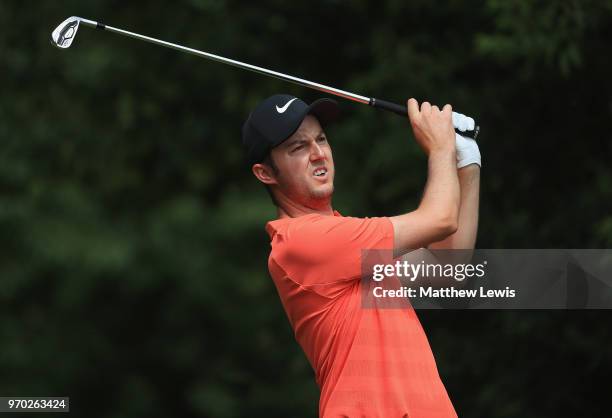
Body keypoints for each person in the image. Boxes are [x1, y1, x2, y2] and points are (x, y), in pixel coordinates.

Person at [242, 94, 480, 418]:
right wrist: (441, 149)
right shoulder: (299, 241)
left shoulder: (346, 247)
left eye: (321, 139)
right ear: (265, 173)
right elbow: (440, 219)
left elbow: (446, 266)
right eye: (297, 148)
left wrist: (466, 163)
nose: (318, 154)